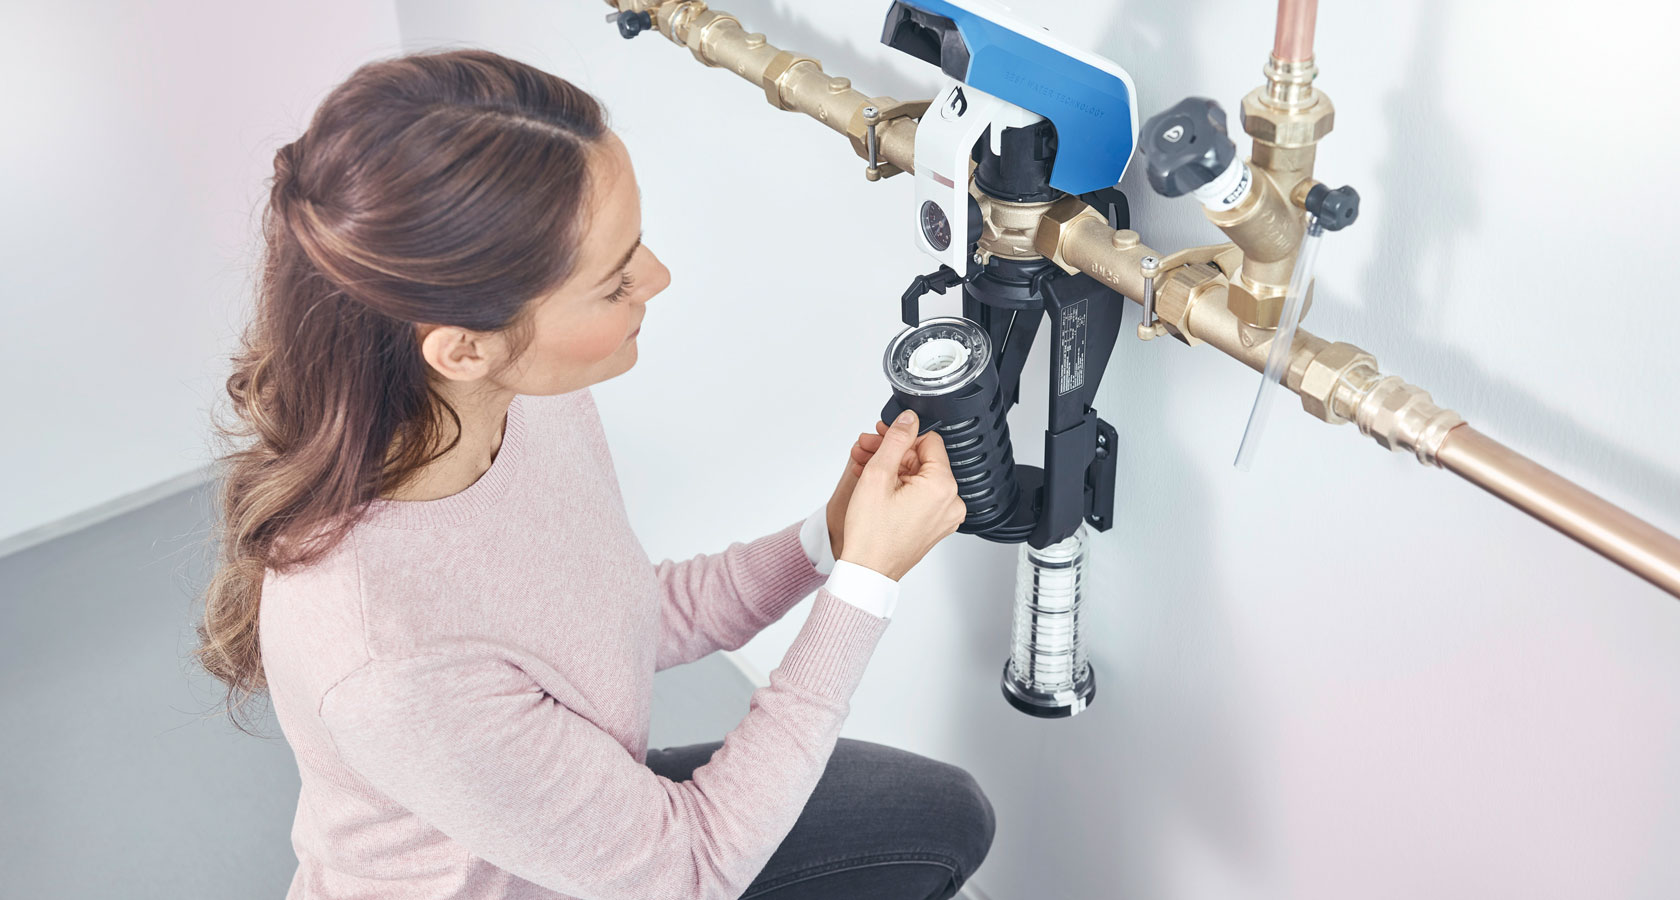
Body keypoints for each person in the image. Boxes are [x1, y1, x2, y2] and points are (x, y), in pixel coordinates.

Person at [193, 48, 995, 900]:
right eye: (615, 283)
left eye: (636, 245)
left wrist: (827, 542)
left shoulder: (513, 401)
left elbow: (619, 617)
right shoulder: (389, 661)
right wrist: (864, 586)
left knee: (942, 817)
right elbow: (691, 871)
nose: (658, 278)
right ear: (463, 348)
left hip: (581, 846)